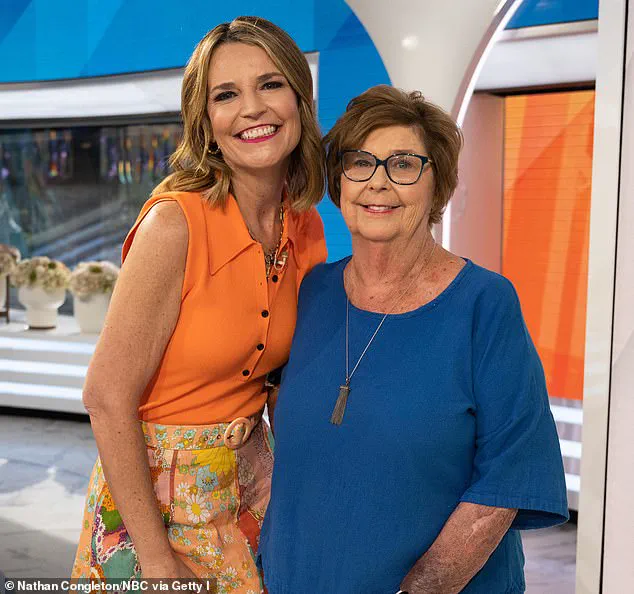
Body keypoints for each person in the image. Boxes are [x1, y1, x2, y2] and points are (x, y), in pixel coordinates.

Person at [258, 85, 568, 594]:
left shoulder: (485, 304)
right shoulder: (311, 292)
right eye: (360, 162)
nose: (377, 182)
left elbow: (507, 478)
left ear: (436, 184)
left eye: (403, 164)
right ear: (339, 182)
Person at [71, 16, 327, 593]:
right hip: (152, 504)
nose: (252, 108)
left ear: (299, 98)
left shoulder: (304, 224)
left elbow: (282, 382)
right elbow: (105, 397)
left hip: (250, 490)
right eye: (225, 95)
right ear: (205, 121)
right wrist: (158, 564)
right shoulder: (174, 225)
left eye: (270, 84)